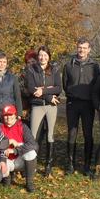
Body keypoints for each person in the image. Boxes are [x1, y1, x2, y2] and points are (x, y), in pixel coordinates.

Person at [62, 37, 100, 175]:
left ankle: (87, 165)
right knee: (72, 134)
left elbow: (97, 86)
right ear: (76, 47)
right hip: (72, 103)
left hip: (88, 104)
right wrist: (72, 94)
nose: (82, 50)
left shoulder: (95, 66)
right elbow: (65, 84)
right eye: (80, 47)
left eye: (84, 48)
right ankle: (70, 164)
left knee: (87, 134)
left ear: (89, 49)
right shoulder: (68, 65)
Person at [26, 46, 62, 176]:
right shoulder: (31, 69)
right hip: (37, 105)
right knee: (33, 135)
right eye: (40, 55)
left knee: (50, 135)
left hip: (51, 106)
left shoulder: (55, 69)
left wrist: (43, 90)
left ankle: (48, 165)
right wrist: (47, 94)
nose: (43, 58)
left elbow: (58, 88)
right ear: (37, 56)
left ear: (49, 56)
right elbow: (31, 88)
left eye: (45, 55)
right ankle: (32, 164)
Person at [0, 104, 38, 192]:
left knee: (31, 152)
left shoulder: (22, 126)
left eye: (10, 115)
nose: (8, 118)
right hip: (5, 159)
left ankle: (29, 182)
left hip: (20, 159)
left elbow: (34, 145)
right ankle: (7, 179)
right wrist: (8, 142)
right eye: (6, 115)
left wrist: (15, 150)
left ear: (15, 115)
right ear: (2, 116)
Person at [0, 50, 23, 124]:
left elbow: (17, 96)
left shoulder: (12, 78)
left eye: (4, 62)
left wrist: (19, 113)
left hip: (9, 114)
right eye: (0, 61)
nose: (2, 64)